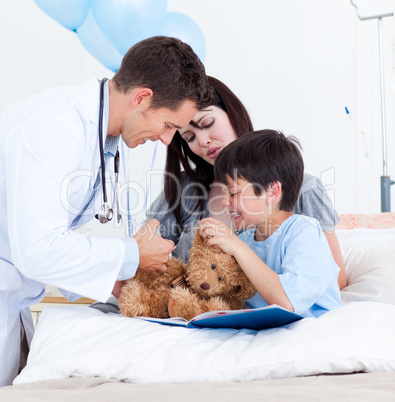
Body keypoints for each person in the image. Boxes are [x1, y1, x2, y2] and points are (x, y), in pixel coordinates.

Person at [0, 36, 212, 387]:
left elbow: (55, 239)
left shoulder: (107, 139)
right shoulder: (54, 128)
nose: (166, 140)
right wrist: (132, 255)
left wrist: (119, 282)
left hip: (13, 298)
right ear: (142, 98)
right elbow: (38, 249)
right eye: (169, 125)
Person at [146, 76, 347, 289]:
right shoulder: (185, 188)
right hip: (191, 313)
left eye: (208, 123)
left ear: (233, 113)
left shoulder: (304, 189)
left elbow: (336, 280)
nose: (203, 141)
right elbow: (143, 256)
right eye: (190, 138)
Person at [198, 130, 342, 318]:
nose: (225, 202)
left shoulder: (305, 232)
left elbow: (288, 303)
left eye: (233, 193)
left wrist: (238, 247)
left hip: (310, 330)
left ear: (272, 192)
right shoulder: (246, 239)